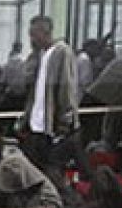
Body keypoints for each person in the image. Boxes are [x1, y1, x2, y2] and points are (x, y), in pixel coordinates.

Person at [18, 15, 81, 171]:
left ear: (44, 32)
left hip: (52, 126)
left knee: (51, 170)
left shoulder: (62, 52)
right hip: (36, 125)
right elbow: (34, 92)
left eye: (33, 34)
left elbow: (67, 88)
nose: (31, 38)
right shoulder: (40, 55)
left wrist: (65, 121)